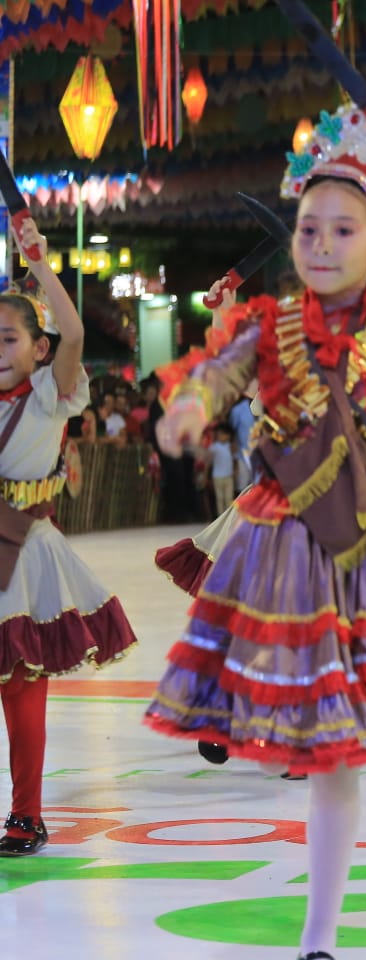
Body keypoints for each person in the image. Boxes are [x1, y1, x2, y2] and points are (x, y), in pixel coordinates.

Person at [144, 101, 366, 960]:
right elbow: (214, 377)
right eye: (308, 229)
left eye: (342, 230)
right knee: (309, 745)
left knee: (338, 762)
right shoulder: (270, 323)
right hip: (286, 548)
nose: (320, 244)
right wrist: (186, 408)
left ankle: (317, 938)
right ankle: (315, 923)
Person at [0, 219, 140, 856]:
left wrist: (39, 264)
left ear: (38, 348)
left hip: (23, 555)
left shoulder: (47, 396)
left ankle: (25, 815)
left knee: (21, 688)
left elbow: (77, 332)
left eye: (8, 337)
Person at [209, 422, 237, 513]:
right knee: (220, 499)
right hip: (217, 476)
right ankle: (221, 517)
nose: (220, 436)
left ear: (228, 436)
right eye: (219, 434)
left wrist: (236, 470)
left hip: (228, 476)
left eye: (223, 434)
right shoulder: (214, 447)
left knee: (229, 498)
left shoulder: (231, 447)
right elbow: (209, 460)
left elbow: (234, 459)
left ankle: (228, 518)